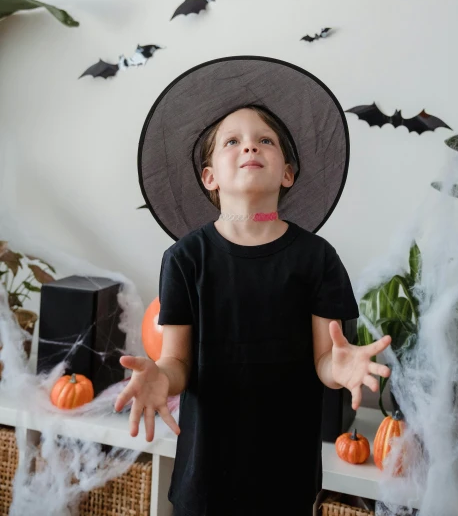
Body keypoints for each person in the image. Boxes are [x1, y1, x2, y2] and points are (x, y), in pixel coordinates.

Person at [115, 56, 392, 516]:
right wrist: (160, 378)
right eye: (232, 141)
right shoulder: (185, 259)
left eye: (266, 140)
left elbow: (326, 357)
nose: (250, 147)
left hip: (286, 473)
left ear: (287, 173)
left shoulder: (316, 258)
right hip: (206, 474)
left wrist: (338, 368)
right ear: (210, 178)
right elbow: (177, 360)